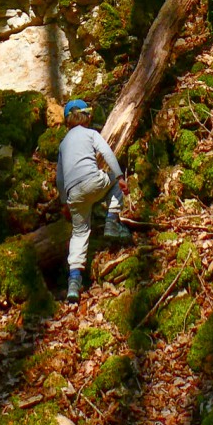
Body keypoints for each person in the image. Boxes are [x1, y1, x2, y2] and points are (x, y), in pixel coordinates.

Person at [56, 97, 130, 302]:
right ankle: (112, 223)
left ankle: (74, 281)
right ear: (85, 117)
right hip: (93, 181)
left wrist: (65, 203)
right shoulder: (91, 134)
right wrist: (120, 177)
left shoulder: (63, 144)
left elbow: (60, 178)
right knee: (113, 183)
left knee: (79, 233)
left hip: (74, 194)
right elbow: (107, 154)